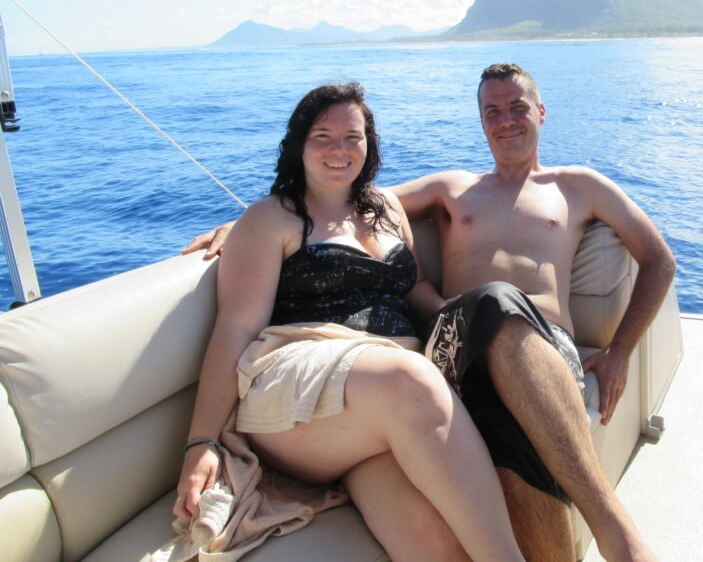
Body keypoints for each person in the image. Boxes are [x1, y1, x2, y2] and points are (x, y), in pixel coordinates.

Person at [186, 65, 676, 562]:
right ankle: (619, 539)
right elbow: (329, 200)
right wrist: (245, 220)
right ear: (480, 121)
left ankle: (595, 533)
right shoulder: (452, 188)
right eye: (492, 111)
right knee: (491, 302)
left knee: (499, 428)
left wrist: (619, 351)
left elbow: (658, 259)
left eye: (517, 107)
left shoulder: (578, 186)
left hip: (540, 349)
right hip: (452, 346)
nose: (505, 120)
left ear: (542, 112)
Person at [175, 83, 525, 562]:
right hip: (296, 386)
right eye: (323, 136)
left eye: (353, 137)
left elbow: (414, 289)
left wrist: (455, 315)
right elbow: (234, 330)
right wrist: (202, 442)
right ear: (299, 144)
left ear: (369, 144)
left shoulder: (386, 208)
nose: (339, 150)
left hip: (378, 407)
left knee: (438, 544)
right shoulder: (269, 221)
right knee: (409, 377)